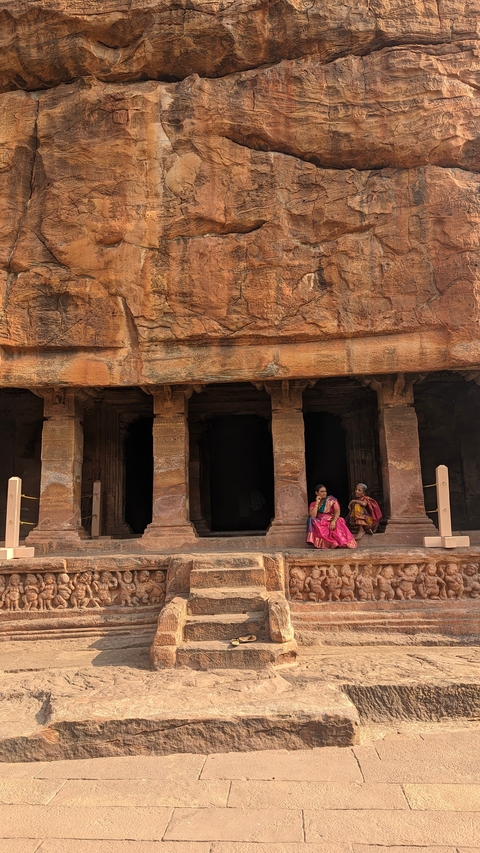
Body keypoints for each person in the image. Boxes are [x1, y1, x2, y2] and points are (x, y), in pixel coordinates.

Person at [306, 484, 357, 550]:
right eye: (322, 491)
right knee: (311, 519)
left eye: (325, 491)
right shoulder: (313, 504)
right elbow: (313, 515)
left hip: (331, 520)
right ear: (316, 493)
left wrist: (333, 521)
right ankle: (330, 543)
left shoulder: (332, 500)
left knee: (340, 520)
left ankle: (339, 542)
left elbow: (337, 511)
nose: (324, 493)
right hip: (321, 522)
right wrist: (317, 503)